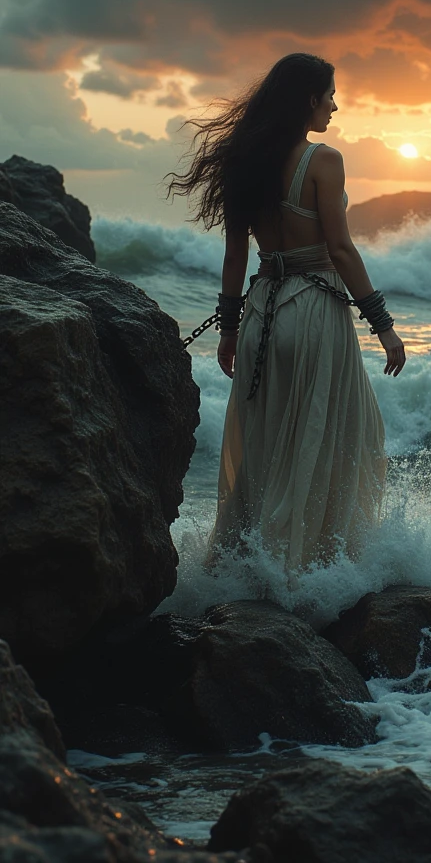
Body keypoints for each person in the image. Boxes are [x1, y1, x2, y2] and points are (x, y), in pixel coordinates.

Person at [168, 52, 405, 572]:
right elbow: (340, 250)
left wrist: (229, 333)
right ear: (308, 100)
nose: (335, 107)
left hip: (260, 319)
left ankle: (244, 571)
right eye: (330, 95)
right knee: (328, 443)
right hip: (315, 314)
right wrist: (383, 325)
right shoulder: (323, 160)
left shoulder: (243, 162)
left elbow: (234, 257)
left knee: (265, 446)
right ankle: (312, 573)